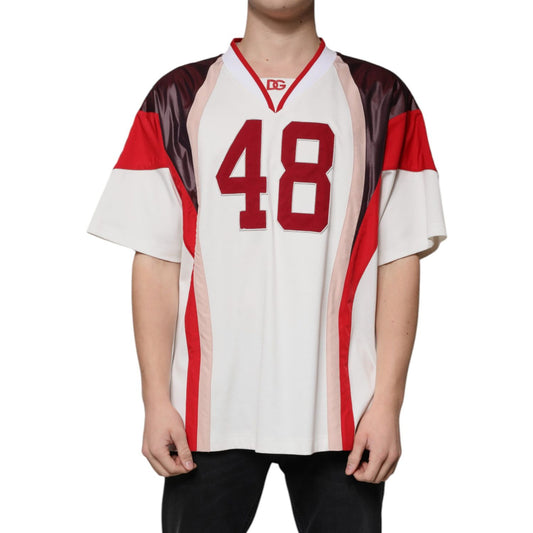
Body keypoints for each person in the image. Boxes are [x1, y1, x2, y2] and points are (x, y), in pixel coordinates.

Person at [86, 0, 447, 531]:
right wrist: (156, 400)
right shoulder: (176, 96)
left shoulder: (383, 98)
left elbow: (399, 258)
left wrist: (388, 403)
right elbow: (157, 261)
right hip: (205, 415)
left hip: (345, 417)